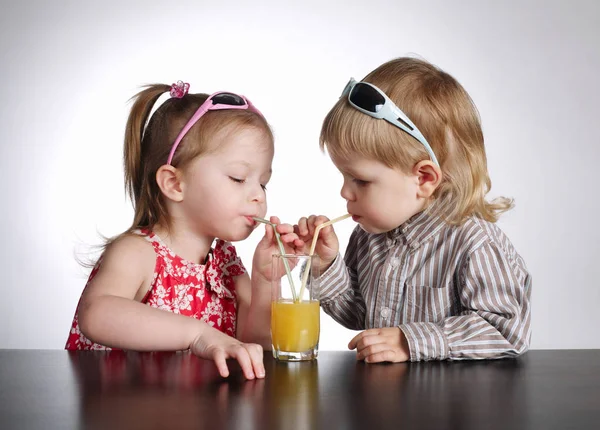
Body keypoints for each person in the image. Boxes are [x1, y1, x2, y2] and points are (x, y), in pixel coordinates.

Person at [295, 58, 531, 362]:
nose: (344, 192)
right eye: (343, 176)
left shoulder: (475, 244)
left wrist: (411, 341)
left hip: (454, 404)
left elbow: (506, 331)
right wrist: (325, 266)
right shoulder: (368, 237)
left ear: (423, 179)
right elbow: (359, 315)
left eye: (361, 180)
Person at [66, 81, 302, 379]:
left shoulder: (226, 263)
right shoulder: (137, 252)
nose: (259, 195)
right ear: (175, 184)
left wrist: (267, 280)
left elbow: (256, 345)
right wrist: (198, 335)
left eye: (263, 182)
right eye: (239, 178)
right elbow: (96, 315)